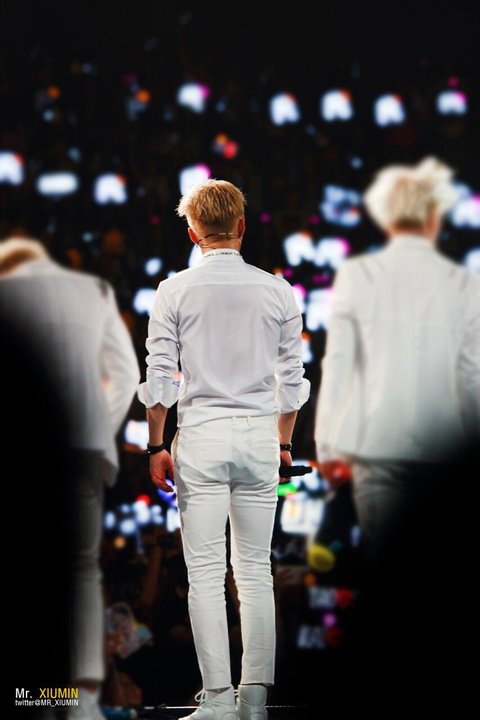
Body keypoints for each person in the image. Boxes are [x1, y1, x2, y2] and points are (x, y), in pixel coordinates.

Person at [137, 179, 310, 720]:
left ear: (193, 233)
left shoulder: (173, 290)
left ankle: (216, 700)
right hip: (259, 438)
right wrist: (284, 443)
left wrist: (155, 445)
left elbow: (160, 380)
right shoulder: (278, 291)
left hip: (203, 438)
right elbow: (292, 384)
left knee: (207, 575)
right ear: (241, 226)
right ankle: (254, 702)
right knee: (255, 570)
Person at [0, 237, 140, 720]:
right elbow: (127, 375)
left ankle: (34, 699)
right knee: (82, 569)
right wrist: (94, 425)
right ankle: (81, 703)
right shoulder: (94, 290)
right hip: (84, 446)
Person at [314, 156, 480, 560]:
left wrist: (328, 447)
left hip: (377, 447)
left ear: (386, 216)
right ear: (433, 216)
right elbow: (473, 378)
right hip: (446, 451)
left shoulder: (357, 275)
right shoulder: (464, 283)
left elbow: (338, 365)